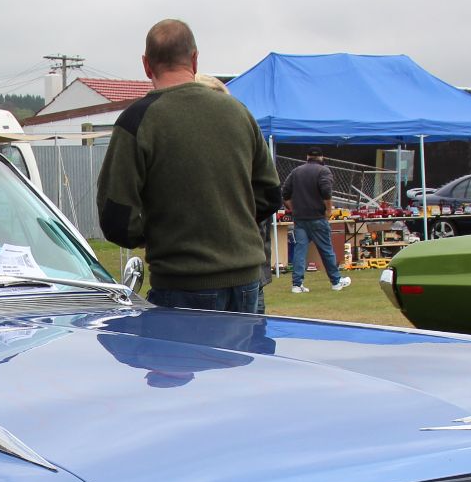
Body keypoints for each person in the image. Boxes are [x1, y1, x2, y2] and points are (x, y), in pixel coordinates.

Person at [98, 19, 281, 314]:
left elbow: (117, 220)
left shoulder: (137, 121)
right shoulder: (238, 112)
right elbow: (270, 195)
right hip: (247, 280)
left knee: (185, 362)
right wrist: (228, 222)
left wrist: (164, 232)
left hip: (182, 282)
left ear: (147, 65)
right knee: (245, 360)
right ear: (194, 59)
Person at [282, 149, 348, 292]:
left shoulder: (296, 172)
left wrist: (293, 209)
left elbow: (285, 193)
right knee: (326, 250)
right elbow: (326, 191)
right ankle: (336, 281)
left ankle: (296, 284)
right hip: (317, 217)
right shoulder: (324, 171)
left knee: (300, 250)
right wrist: (328, 210)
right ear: (321, 157)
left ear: (307, 157)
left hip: (300, 218)